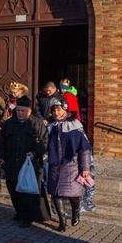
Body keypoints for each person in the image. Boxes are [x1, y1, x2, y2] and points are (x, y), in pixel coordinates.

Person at [0, 95, 50, 228]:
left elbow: (44, 142)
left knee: (27, 192)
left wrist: (35, 153)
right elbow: (2, 142)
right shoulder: (9, 123)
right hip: (11, 162)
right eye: (18, 110)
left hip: (30, 164)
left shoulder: (37, 124)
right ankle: (19, 212)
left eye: (23, 111)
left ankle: (27, 217)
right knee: (13, 189)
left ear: (29, 111)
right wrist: (0, 156)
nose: (20, 113)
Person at [47, 98, 92, 232]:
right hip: (55, 165)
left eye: (59, 109)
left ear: (65, 110)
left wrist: (85, 168)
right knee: (56, 194)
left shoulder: (75, 125)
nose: (56, 112)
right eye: (54, 110)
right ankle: (62, 221)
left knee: (73, 194)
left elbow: (84, 149)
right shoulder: (50, 126)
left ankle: (75, 212)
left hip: (71, 165)